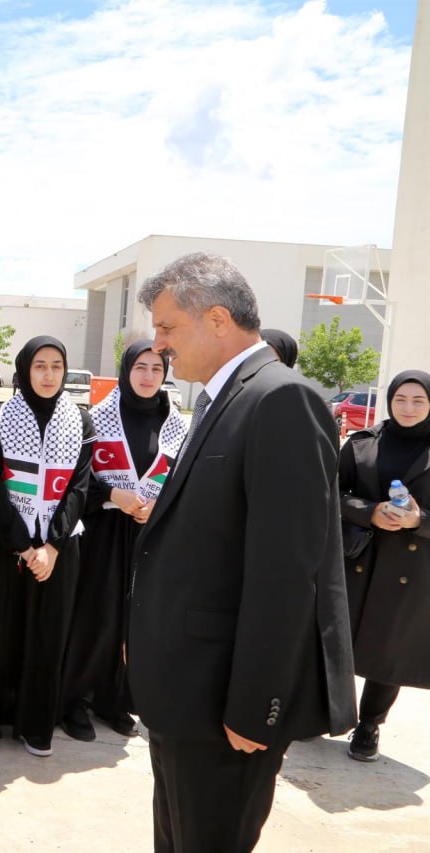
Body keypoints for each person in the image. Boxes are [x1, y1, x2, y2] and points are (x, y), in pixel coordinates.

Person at [130, 253, 356, 852]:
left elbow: (287, 574)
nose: (159, 344)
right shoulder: (223, 399)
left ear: (219, 318)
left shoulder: (279, 401)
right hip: (187, 694)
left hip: (225, 704)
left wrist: (258, 707)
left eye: (168, 327)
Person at [0, 335, 94, 760]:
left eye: (57, 366)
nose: (48, 374)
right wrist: (22, 545)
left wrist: (52, 545)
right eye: (40, 365)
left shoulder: (82, 421)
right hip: (4, 544)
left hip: (58, 548)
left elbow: (78, 487)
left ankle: (35, 724)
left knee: (48, 635)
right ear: (24, 368)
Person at [59, 341, 186, 742]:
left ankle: (115, 699)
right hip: (103, 531)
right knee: (96, 615)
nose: (148, 377)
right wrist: (115, 496)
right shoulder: (98, 419)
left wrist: (157, 505)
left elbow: (183, 479)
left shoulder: (176, 424)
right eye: (140, 368)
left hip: (149, 532)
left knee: (135, 620)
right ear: (125, 371)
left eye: (156, 369)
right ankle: (75, 700)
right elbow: (76, 480)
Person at [338, 370, 430, 762]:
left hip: (410, 566)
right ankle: (320, 712)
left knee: (389, 646)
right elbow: (330, 494)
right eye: (401, 399)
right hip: (359, 554)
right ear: (389, 400)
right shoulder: (361, 444)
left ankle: (369, 725)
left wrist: (418, 520)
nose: (408, 408)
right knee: (336, 638)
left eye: (419, 401)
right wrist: (368, 511)